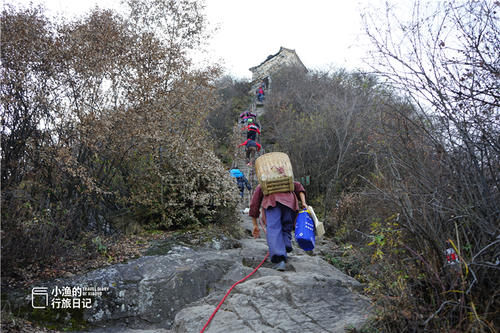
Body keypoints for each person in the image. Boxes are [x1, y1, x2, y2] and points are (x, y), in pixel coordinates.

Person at [249, 181, 307, 271]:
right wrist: (303, 202)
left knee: (274, 230)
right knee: (286, 226)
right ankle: (286, 244)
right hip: (290, 204)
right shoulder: (286, 181)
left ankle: (279, 259)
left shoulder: (264, 184)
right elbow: (299, 187)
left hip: (272, 203)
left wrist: (255, 224)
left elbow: (254, 204)